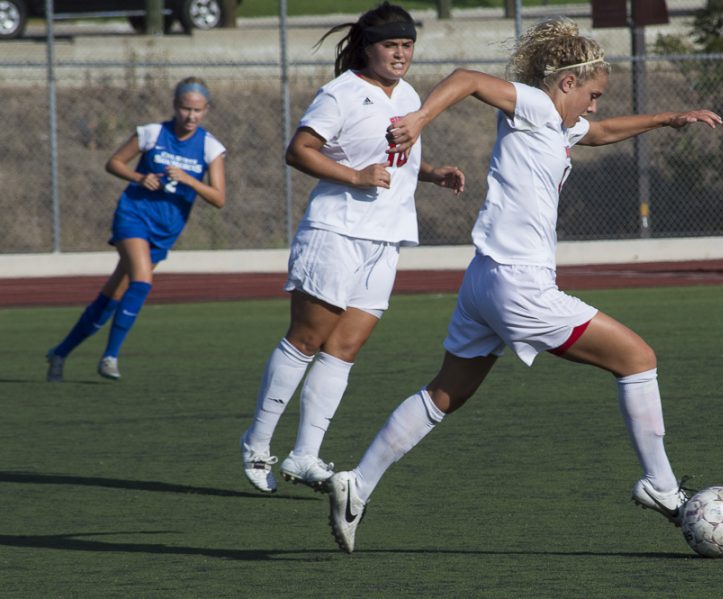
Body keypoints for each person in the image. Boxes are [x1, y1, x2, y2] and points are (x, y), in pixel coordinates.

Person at [324, 17, 723, 554]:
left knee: (445, 394)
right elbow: (467, 78)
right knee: (639, 360)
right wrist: (418, 119)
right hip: (520, 286)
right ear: (565, 84)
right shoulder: (535, 106)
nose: (595, 106)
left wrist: (669, 119)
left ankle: (359, 484)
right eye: (593, 94)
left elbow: (600, 133)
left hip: (483, 281)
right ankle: (662, 486)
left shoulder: (558, 124)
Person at [238, 2, 464, 495]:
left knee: (344, 350)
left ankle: (305, 457)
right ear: (367, 47)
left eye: (407, 45)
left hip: (385, 240)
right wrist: (355, 177)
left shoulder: (408, 94)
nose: (401, 54)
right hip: (335, 232)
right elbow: (299, 151)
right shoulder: (341, 93)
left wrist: (432, 173)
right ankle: (257, 445)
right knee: (307, 340)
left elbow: (386, 157)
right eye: (391, 45)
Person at [45, 77, 226, 382]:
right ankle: (110, 357)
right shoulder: (153, 133)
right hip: (134, 215)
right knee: (141, 281)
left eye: (197, 110)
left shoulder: (211, 147)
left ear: (206, 110)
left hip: (166, 228)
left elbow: (219, 198)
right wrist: (140, 178)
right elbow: (114, 162)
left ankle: (60, 352)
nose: (190, 116)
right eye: (185, 108)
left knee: (113, 295)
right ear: (174, 106)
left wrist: (190, 180)